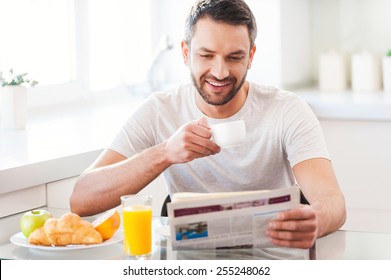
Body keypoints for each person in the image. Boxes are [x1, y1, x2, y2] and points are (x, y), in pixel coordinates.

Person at [70, 0, 346, 249]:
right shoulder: (160, 110)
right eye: (206, 55)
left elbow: (332, 202)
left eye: (234, 57)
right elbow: (81, 200)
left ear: (251, 56)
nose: (220, 72)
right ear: (185, 52)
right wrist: (165, 153)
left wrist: (316, 220)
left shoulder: (286, 109)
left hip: (271, 251)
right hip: (192, 256)